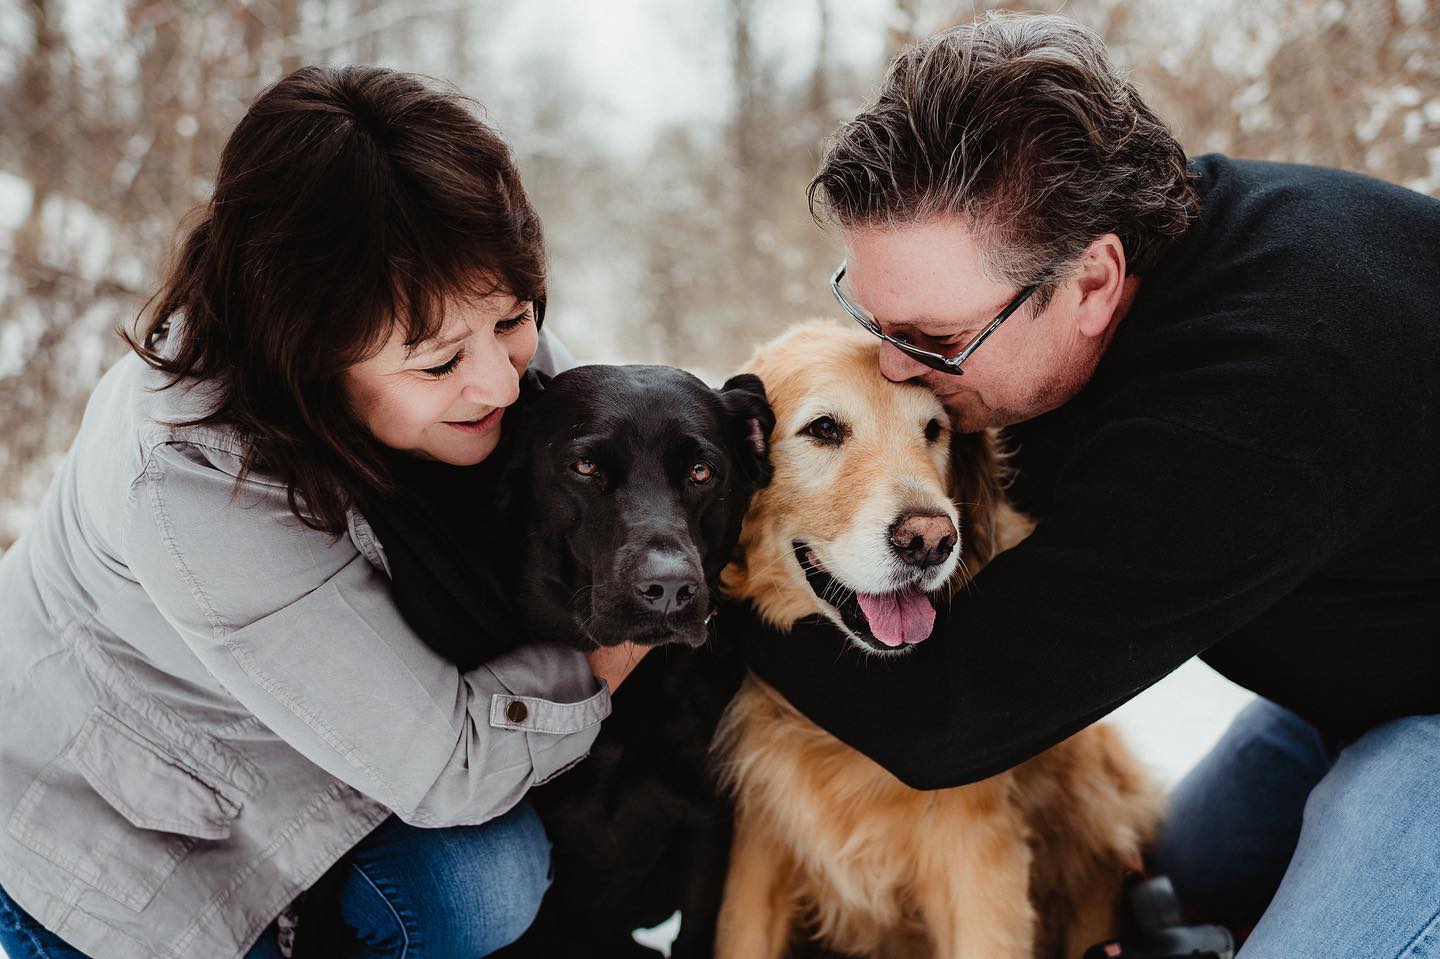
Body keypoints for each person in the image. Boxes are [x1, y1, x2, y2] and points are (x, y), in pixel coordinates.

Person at [734, 12, 1440, 957]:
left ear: (1094, 280)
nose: (898, 371)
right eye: (873, 319)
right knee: (1161, 872)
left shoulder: (1264, 391)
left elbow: (956, 715)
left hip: (1423, 713)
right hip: (1363, 679)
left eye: (936, 341)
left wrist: (703, 585)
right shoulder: (1144, 267)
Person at [0, 65, 646, 959]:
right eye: (436, 362)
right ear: (308, 351)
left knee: (479, 882)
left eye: (515, 317)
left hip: (332, 752)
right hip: (130, 832)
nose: (503, 380)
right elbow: (454, 768)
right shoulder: (187, 480)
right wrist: (635, 623)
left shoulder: (481, 359)